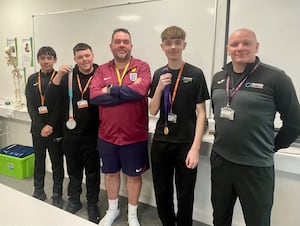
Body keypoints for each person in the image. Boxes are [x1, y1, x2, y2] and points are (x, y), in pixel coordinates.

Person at [210, 28, 300, 226]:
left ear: (256, 47)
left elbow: (295, 123)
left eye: (246, 43)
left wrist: (272, 146)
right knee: (219, 217)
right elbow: (218, 114)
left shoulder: (276, 78)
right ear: (227, 49)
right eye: (234, 44)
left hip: (256, 166)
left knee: (257, 221)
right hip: (221, 162)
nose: (240, 48)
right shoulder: (218, 77)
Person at [89, 28, 151, 226]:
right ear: (111, 46)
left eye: (125, 41)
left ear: (131, 46)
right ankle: (113, 211)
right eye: (118, 41)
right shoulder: (101, 70)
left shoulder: (142, 67)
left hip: (134, 136)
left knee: (134, 176)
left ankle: (132, 215)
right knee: (110, 173)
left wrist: (111, 90)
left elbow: (141, 91)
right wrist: (126, 93)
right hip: (107, 136)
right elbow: (94, 96)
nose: (122, 45)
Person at [149, 26, 210, 226]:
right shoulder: (159, 73)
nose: (173, 47)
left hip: (186, 144)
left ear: (184, 45)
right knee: (162, 190)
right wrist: (159, 87)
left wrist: (195, 148)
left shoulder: (196, 73)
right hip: (161, 141)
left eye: (177, 43)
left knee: (185, 192)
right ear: (162, 47)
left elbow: (201, 114)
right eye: (168, 43)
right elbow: (153, 111)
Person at [47, 43, 100, 223]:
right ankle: (75, 201)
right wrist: (58, 75)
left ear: (92, 55)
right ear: (75, 59)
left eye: (87, 55)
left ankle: (92, 204)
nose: (84, 60)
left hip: (94, 134)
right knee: (74, 171)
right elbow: (50, 97)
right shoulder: (68, 75)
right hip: (71, 134)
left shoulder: (101, 74)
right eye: (80, 57)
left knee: (93, 173)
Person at [25, 46, 64, 208]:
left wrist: (50, 125)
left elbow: (61, 106)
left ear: (55, 59)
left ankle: (57, 194)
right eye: (42, 58)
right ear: (38, 60)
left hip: (55, 129)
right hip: (37, 130)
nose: (46, 61)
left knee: (57, 163)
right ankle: (38, 190)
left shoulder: (61, 78)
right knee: (39, 161)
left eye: (49, 58)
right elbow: (31, 106)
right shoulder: (32, 79)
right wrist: (41, 126)